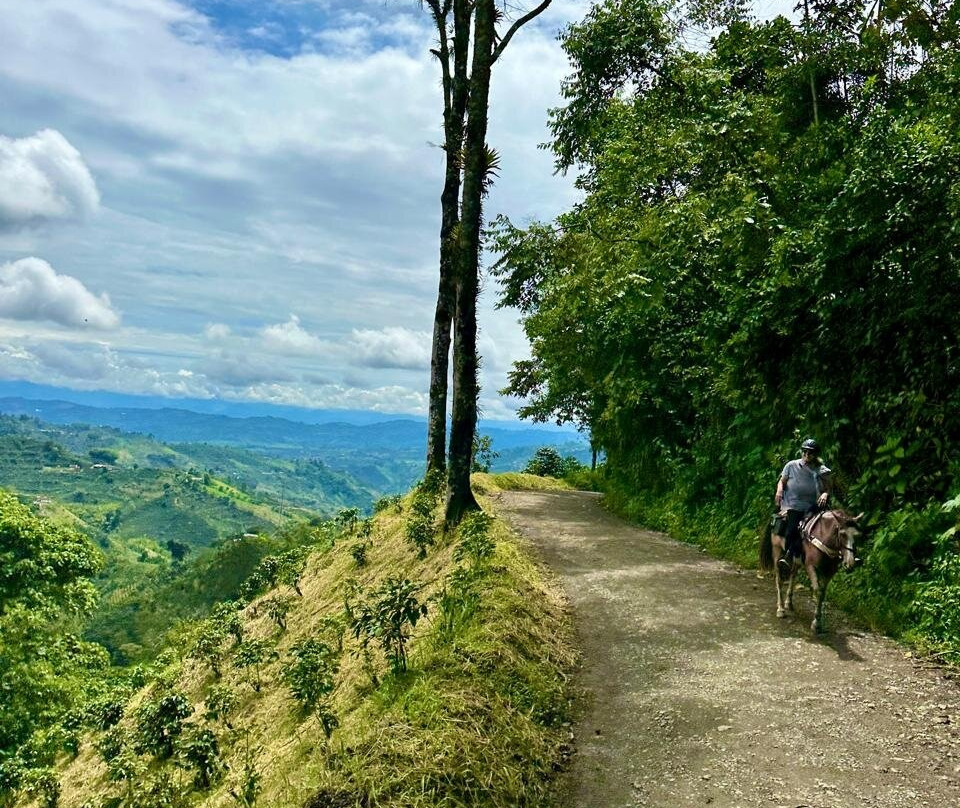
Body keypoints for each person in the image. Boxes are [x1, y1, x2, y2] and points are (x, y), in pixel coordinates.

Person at [774, 438, 831, 575]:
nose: (806, 455)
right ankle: (788, 556)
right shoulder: (791, 466)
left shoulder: (821, 470)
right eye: (804, 451)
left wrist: (825, 494)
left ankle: (841, 555)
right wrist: (779, 490)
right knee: (792, 530)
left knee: (835, 523)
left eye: (810, 452)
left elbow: (828, 488)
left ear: (815, 454)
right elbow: (782, 482)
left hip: (813, 505)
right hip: (794, 505)